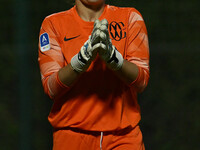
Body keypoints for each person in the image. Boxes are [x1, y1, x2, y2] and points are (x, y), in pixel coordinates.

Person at [38, 0, 149, 149]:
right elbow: (51, 87)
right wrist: (81, 61)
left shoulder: (130, 17)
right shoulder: (53, 23)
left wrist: (114, 59)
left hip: (124, 137)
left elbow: (141, 80)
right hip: (71, 136)